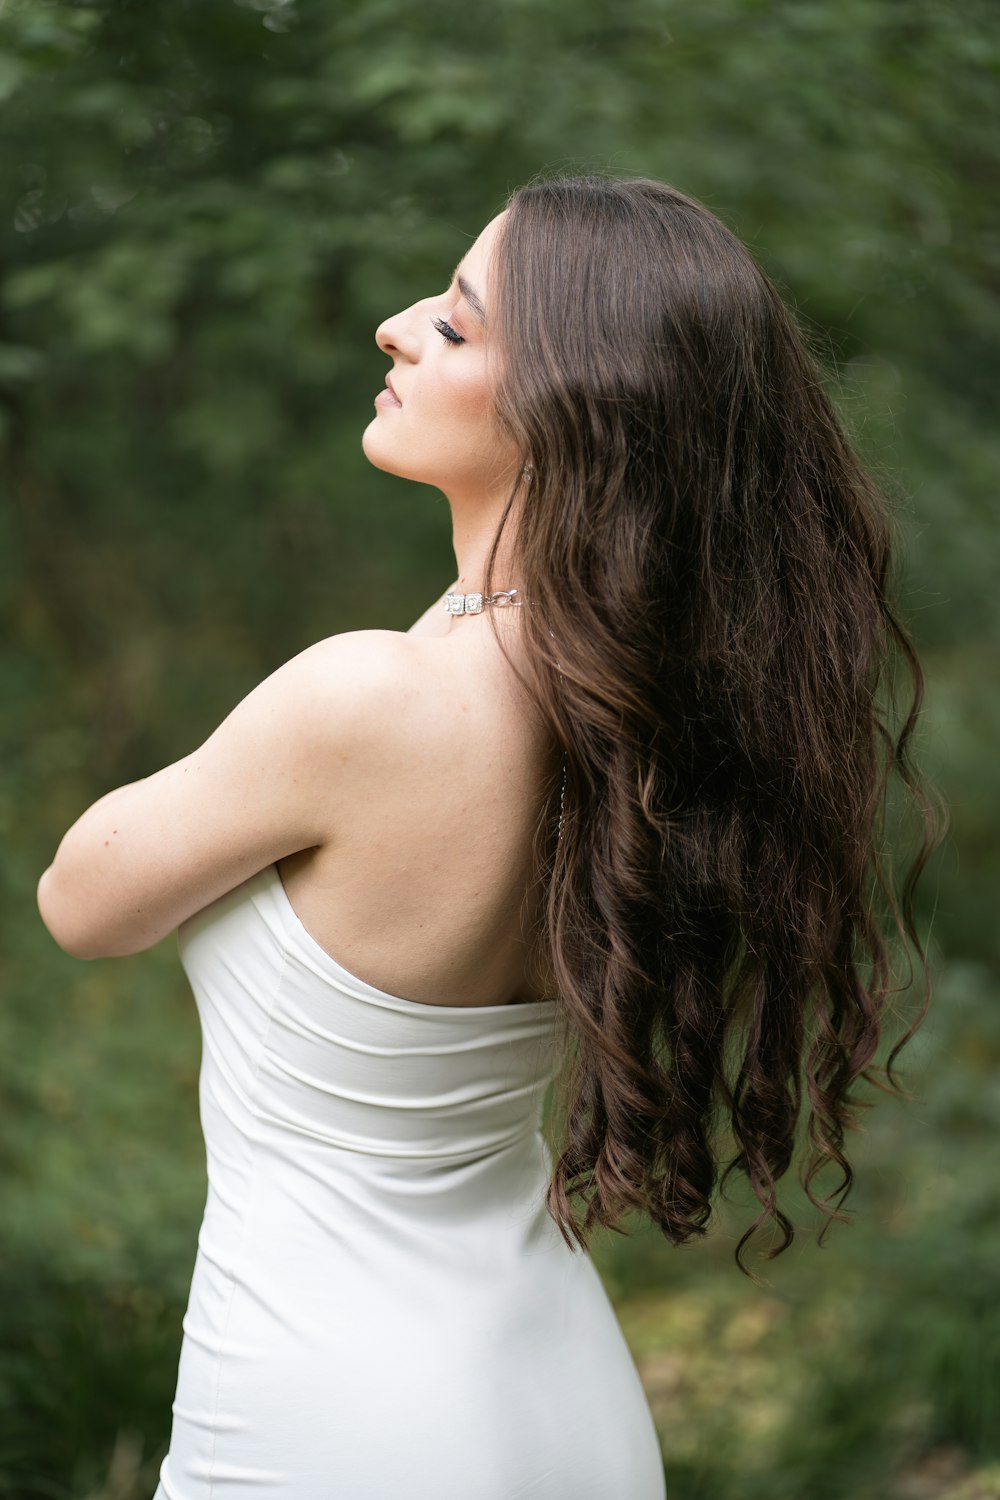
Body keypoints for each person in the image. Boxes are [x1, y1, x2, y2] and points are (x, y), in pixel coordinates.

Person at [37, 175, 941, 1499]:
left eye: (457, 326)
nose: (398, 328)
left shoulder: (370, 700)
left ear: (584, 409)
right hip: (560, 1402)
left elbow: (83, 899)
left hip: (341, 1424)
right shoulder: (635, 707)